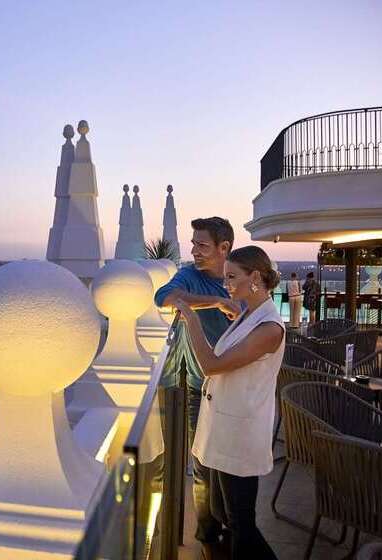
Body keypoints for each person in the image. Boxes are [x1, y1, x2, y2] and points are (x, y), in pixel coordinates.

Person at [173, 245, 284, 560]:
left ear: (255, 278)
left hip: (241, 435)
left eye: (232, 277)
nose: (226, 285)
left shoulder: (269, 328)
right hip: (226, 428)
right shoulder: (249, 315)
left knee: (241, 523)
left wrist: (191, 319)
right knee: (224, 512)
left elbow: (211, 365)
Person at [155, 217, 240, 557]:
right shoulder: (190, 275)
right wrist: (216, 303)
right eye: (193, 244)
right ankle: (208, 535)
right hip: (197, 387)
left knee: (231, 464)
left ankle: (234, 528)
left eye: (202, 245)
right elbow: (164, 297)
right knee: (202, 465)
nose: (194, 251)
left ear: (224, 248)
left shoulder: (239, 276)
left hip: (235, 388)